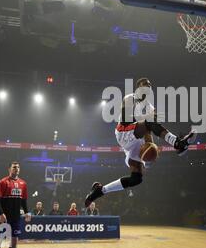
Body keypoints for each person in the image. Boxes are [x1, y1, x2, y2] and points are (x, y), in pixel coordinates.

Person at [84, 78, 197, 207]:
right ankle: (178, 144)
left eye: (149, 86)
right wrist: (146, 120)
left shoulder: (151, 107)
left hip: (137, 141)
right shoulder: (129, 98)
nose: (147, 87)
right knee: (149, 121)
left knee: (136, 179)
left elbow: (150, 130)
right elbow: (128, 120)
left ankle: (100, 191)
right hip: (124, 132)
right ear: (138, 87)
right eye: (145, 85)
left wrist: (151, 147)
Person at [0, 161, 31, 248]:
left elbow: (23, 200)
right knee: (0, 240)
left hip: (16, 218)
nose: (16, 169)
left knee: (14, 241)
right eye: (14, 167)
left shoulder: (23, 184)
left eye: (18, 167)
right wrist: (1, 214)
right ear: (9, 169)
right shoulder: (3, 182)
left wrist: (26, 212)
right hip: (4, 218)